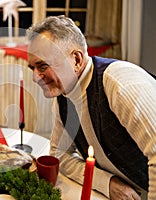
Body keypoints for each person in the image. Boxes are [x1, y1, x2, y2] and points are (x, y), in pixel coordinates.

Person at [26, 16, 156, 200]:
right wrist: (106, 183)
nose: (35, 77)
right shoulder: (65, 95)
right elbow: (59, 154)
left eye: (43, 66)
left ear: (77, 60)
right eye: (32, 68)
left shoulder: (119, 83)